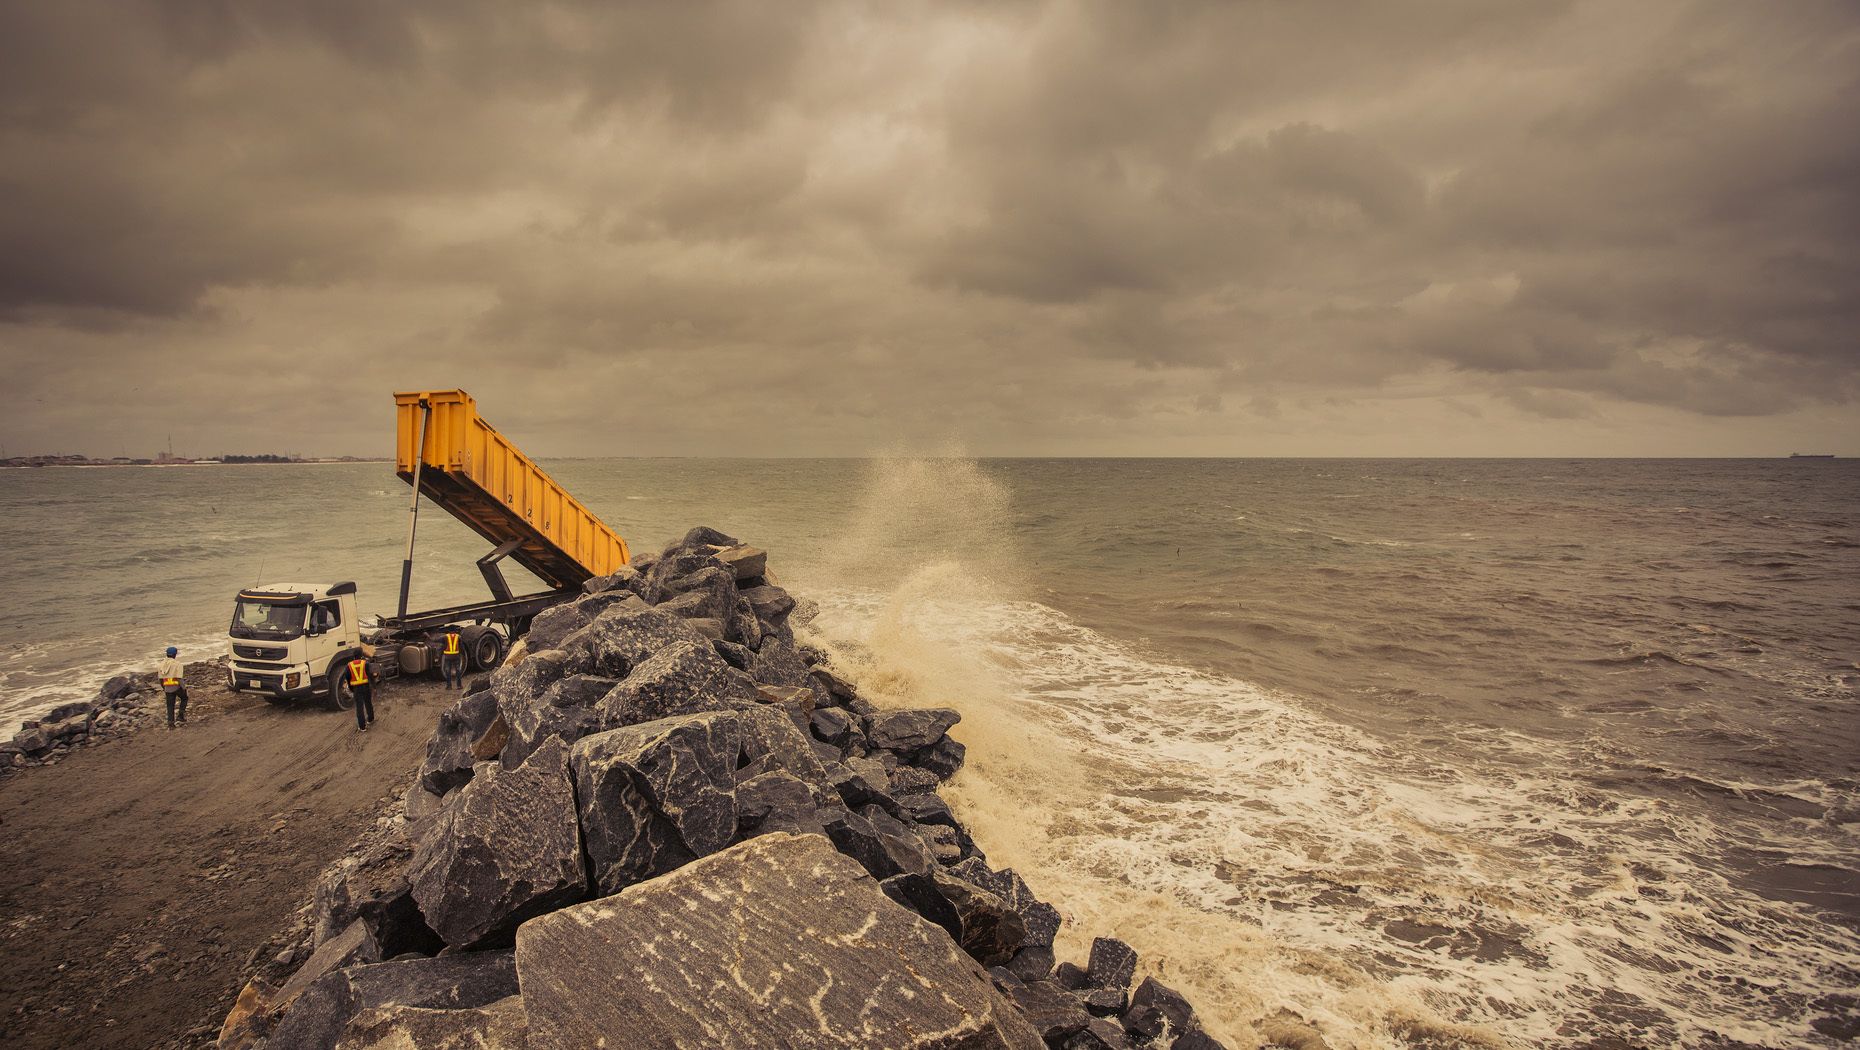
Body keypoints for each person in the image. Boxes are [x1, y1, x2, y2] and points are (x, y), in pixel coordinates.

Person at [347, 646, 376, 732]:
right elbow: (370, 676)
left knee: (359, 708)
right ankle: (370, 719)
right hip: (366, 686)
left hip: (357, 688)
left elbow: (348, 678)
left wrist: (351, 688)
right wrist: (374, 687)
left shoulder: (349, 665)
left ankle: (362, 727)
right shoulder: (365, 663)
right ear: (361, 654)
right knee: (368, 703)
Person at [159, 645, 188, 729]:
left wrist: (164, 688)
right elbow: (179, 678)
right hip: (176, 687)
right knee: (184, 698)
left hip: (167, 688)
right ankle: (180, 716)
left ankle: (171, 723)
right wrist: (184, 687)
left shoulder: (161, 664)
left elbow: (160, 679)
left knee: (170, 705)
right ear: (175, 655)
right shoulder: (177, 664)